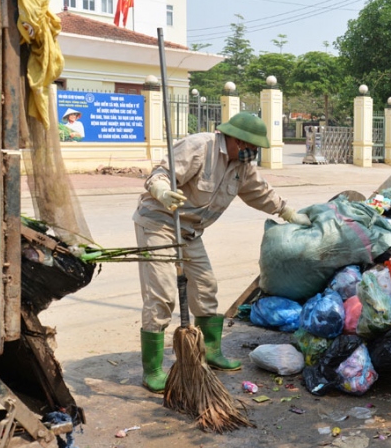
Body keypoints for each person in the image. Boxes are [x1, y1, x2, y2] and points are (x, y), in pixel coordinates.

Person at [133, 111, 311, 393]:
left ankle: (210, 352)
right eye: (251, 147)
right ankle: (152, 369)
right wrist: (163, 191)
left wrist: (287, 211)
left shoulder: (241, 166)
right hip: (160, 223)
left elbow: (259, 191)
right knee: (163, 294)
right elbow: (160, 175)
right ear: (237, 141)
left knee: (206, 287)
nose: (253, 153)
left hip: (190, 230)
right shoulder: (199, 147)